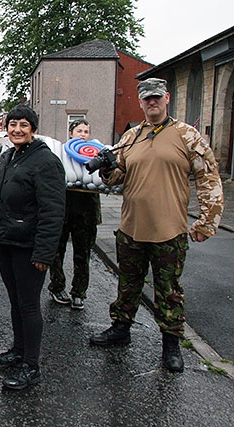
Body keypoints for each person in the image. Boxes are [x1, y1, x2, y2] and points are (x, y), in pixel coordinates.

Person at [89, 78, 224, 372]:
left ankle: (172, 343)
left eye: (156, 98)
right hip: (131, 227)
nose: (152, 102)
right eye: (146, 99)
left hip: (169, 230)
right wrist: (108, 167)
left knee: (168, 290)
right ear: (140, 102)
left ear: (166, 98)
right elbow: (116, 179)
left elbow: (208, 179)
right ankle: (121, 328)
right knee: (127, 284)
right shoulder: (131, 137)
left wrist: (207, 221)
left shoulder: (188, 136)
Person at [0, 105, 66, 391]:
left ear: (33, 128)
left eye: (23, 124)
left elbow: (53, 212)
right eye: (13, 124)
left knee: (29, 305)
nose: (17, 129)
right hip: (6, 241)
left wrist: (44, 253)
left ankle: (31, 365)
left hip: (28, 246)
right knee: (16, 303)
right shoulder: (8, 157)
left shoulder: (45, 162)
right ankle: (18, 351)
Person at [48, 119, 101, 310]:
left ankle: (79, 292)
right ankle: (57, 286)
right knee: (56, 251)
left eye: (86, 131)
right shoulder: (63, 152)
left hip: (86, 212)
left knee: (83, 254)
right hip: (63, 209)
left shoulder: (96, 154)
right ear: (71, 133)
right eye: (79, 131)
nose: (83, 135)